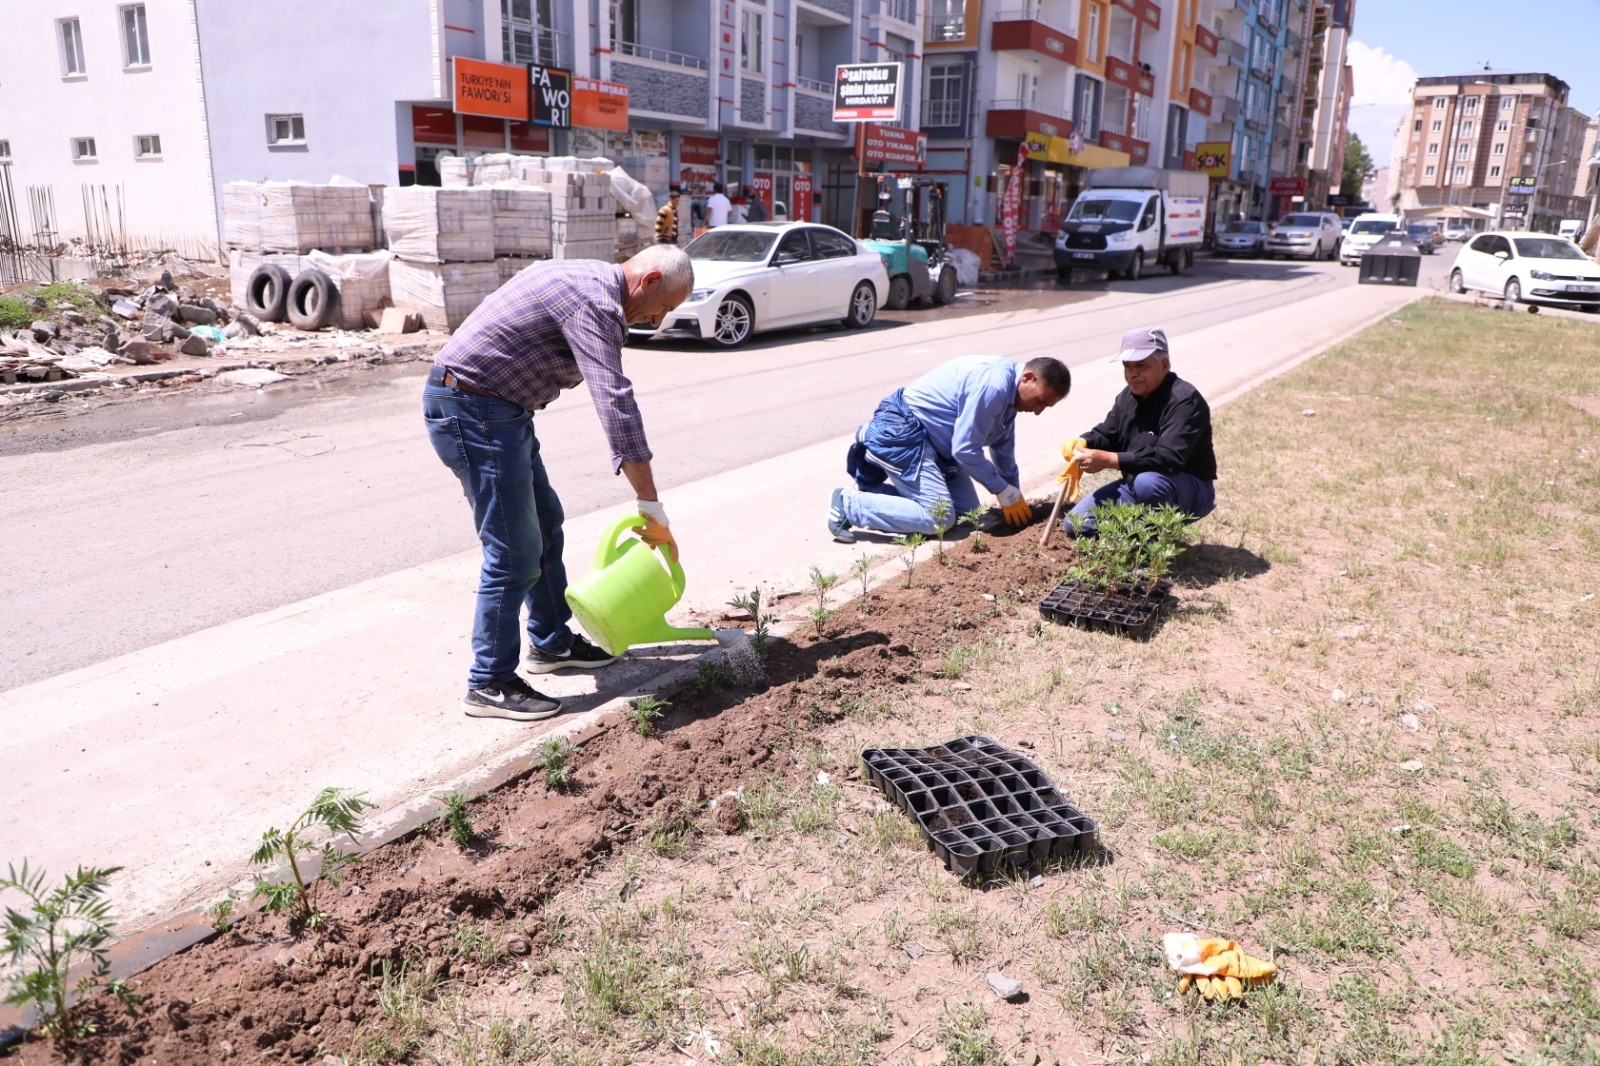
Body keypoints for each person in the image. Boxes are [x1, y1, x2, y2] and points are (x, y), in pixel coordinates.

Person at [423, 246, 694, 722]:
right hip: (472, 410)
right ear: (649, 280)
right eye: (665, 306)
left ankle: (550, 643)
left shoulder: (590, 280)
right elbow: (615, 402)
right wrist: (651, 506)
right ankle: (489, 682)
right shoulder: (596, 302)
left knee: (546, 525)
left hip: (500, 410)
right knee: (513, 551)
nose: (658, 319)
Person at [827, 355, 1072, 542]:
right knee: (939, 519)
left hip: (935, 446)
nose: (1038, 410)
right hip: (903, 433)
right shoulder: (993, 386)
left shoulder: (1010, 400)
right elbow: (965, 450)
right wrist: (1000, 490)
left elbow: (1003, 451)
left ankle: (875, 497)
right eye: (1039, 400)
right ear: (1028, 378)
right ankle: (850, 505)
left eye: (1045, 407)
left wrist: (1014, 495)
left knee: (968, 515)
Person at [1063, 325, 1216, 537]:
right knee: (1077, 524)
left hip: (1186, 488)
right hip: (1137, 484)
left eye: (1141, 366)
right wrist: (1083, 442)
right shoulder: (1128, 397)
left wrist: (1109, 460)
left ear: (1164, 364)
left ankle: (1148, 552)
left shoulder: (1184, 399)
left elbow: (1169, 458)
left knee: (1148, 483)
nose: (1132, 373)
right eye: (1127, 366)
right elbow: (1108, 434)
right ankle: (1136, 532)